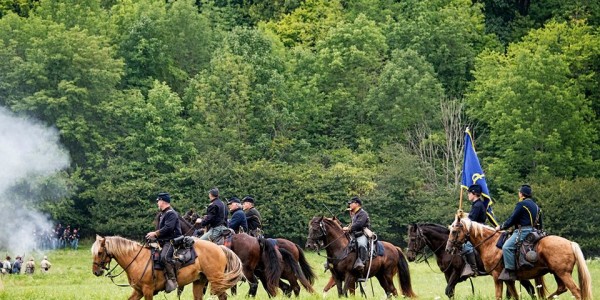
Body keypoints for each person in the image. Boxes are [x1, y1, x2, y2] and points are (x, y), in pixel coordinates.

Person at [495, 184, 542, 281]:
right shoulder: (537, 207)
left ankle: (510, 272)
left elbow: (512, 219)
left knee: (506, 247)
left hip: (523, 231)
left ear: (521, 194)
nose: (518, 194)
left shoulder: (521, 204)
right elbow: (540, 224)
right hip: (535, 232)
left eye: (519, 192)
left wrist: (501, 227)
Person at [145, 192, 182, 293]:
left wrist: (155, 234)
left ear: (163, 201)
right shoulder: (163, 213)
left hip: (172, 241)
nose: (157, 203)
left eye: (158, 201)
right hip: (164, 240)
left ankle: (173, 280)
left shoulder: (171, 213)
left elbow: (169, 228)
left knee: (164, 257)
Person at [461, 184, 498, 278]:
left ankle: (473, 269)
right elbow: (471, 216)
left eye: (469, 193)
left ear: (474, 194)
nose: (468, 195)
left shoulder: (477, 205)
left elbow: (471, 220)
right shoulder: (477, 204)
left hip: (478, 232)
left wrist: (461, 217)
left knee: (466, 246)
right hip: (477, 231)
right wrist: (462, 214)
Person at [342, 196, 371, 271]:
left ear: (357, 204)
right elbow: (353, 224)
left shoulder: (363, 213)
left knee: (362, 244)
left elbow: (359, 225)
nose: (350, 205)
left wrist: (348, 229)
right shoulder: (354, 214)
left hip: (361, 234)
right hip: (353, 234)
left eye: (351, 203)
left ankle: (362, 263)